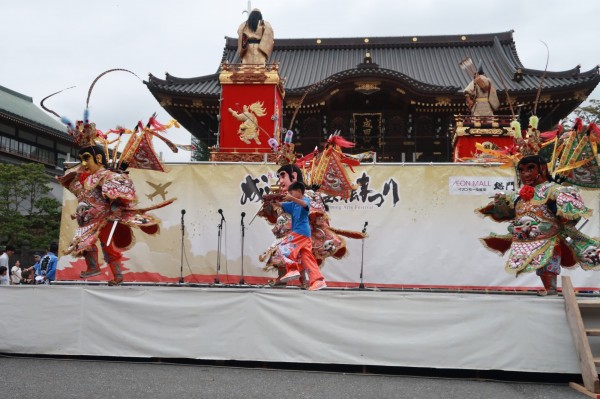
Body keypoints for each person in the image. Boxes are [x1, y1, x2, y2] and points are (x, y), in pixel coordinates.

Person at [477, 154, 600, 295]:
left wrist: (560, 208)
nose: (525, 174)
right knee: (538, 264)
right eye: (522, 171)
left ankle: (551, 289)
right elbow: (507, 213)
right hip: (526, 237)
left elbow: (573, 214)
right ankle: (550, 288)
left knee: (547, 261)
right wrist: (500, 204)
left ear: (542, 169)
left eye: (530, 169)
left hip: (550, 236)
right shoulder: (518, 195)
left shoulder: (554, 190)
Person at [57, 144, 162, 286]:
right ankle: (94, 268)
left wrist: (114, 202)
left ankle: (115, 275)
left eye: (86, 158)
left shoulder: (106, 176)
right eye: (81, 159)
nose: (83, 163)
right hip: (88, 220)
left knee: (104, 246)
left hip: (104, 218)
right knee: (84, 242)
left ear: (98, 158)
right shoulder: (81, 178)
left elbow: (118, 197)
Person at [271, 182, 326, 291]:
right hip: (304, 234)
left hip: (300, 232)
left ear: (299, 192)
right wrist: (273, 200)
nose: (289, 195)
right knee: (307, 258)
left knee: (283, 246)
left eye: (291, 192)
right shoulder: (293, 204)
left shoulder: (305, 200)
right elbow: (280, 204)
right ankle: (318, 280)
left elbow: (305, 205)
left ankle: (292, 269)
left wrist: (291, 197)